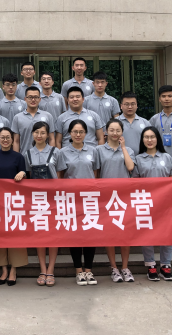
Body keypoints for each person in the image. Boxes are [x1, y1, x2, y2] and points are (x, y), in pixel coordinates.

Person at [132, 126, 172, 282]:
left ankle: (166, 266)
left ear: (157, 139)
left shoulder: (167, 157)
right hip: (145, 202)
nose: (149, 140)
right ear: (142, 140)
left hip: (165, 203)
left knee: (167, 234)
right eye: (146, 137)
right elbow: (134, 182)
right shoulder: (138, 159)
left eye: (152, 137)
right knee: (147, 234)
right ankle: (150, 266)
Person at [24, 121, 66, 288]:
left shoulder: (56, 152)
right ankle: (42, 269)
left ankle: (51, 269)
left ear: (48, 135)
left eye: (42, 132)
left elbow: (61, 175)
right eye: (36, 132)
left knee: (53, 235)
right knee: (40, 235)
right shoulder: (27, 154)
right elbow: (27, 177)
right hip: (37, 201)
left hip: (54, 200)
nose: (39, 135)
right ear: (32, 134)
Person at [95, 119, 136, 284]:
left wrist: (123, 147)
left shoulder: (129, 150)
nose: (114, 133)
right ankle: (114, 267)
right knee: (110, 234)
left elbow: (130, 167)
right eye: (111, 130)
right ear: (106, 131)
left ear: (122, 132)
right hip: (106, 197)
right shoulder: (99, 150)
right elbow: (96, 172)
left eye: (118, 130)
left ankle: (125, 267)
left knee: (124, 234)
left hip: (123, 198)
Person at [58, 120, 99, 286]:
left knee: (90, 234)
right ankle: (78, 271)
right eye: (75, 131)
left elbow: (95, 173)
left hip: (89, 199)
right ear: (69, 133)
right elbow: (60, 176)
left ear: (86, 133)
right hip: (71, 199)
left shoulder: (93, 150)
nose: (78, 134)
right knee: (74, 235)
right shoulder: (63, 152)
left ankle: (88, 270)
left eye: (81, 132)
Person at [0, 127, 28, 286]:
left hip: (15, 201)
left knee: (15, 234)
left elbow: (24, 174)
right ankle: (4, 269)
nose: (5, 140)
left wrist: (23, 173)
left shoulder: (19, 157)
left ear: (12, 140)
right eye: (2, 137)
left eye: (8, 137)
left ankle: (14, 270)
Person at [11, 86, 56, 155]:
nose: (33, 100)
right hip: (24, 156)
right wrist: (17, 158)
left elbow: (51, 139)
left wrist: (51, 156)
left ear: (40, 99)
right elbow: (16, 141)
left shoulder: (48, 116)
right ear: (25, 99)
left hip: (45, 157)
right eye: (30, 97)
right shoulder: (17, 117)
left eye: (36, 97)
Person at [117, 91, 150, 156]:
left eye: (133, 104)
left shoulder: (145, 123)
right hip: (120, 158)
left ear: (137, 105)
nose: (130, 107)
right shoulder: (114, 123)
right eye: (127, 104)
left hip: (142, 158)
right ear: (121, 106)